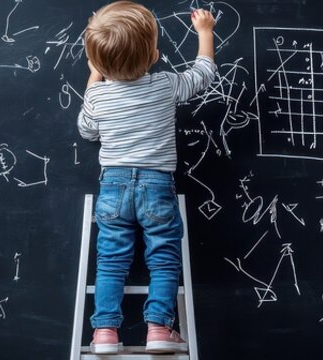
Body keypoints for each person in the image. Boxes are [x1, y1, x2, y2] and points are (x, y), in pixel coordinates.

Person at [77, 1, 216, 355]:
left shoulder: (98, 96)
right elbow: (203, 75)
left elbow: (87, 130)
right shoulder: (165, 85)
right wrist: (204, 32)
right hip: (157, 185)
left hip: (113, 186)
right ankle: (158, 328)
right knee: (164, 259)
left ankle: (104, 332)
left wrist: (95, 77)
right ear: (153, 56)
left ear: (97, 61)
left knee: (111, 261)